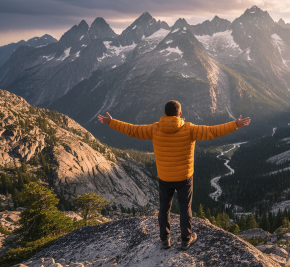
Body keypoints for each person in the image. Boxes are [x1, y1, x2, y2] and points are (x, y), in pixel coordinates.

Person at [98, 100, 250, 250]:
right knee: (185, 208)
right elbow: (213, 131)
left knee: (164, 208)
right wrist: (235, 124)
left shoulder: (154, 129)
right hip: (185, 177)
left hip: (165, 177)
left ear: (165, 114)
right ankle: (186, 239)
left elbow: (131, 129)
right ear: (180, 114)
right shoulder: (190, 129)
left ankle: (165, 240)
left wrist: (111, 122)